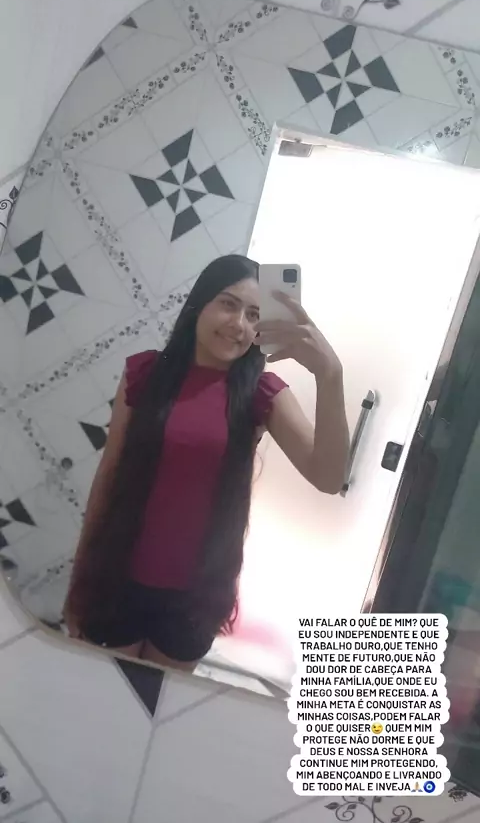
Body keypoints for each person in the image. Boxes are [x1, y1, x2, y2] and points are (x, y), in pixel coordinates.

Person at [63, 254, 349, 672]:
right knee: (97, 701)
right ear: (200, 304)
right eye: (229, 304)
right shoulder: (145, 373)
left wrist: (330, 373)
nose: (239, 324)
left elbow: (329, 477)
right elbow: (108, 477)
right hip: (117, 578)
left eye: (254, 315)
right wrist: (79, 584)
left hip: (193, 599)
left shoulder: (262, 393)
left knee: (155, 710)